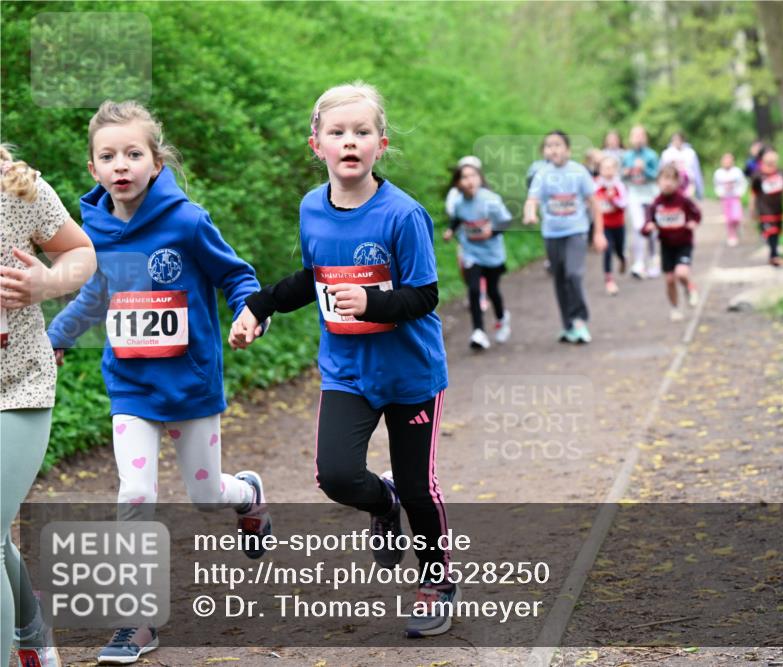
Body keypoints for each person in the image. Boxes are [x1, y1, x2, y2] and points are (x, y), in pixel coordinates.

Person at [45, 101, 272, 664]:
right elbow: (95, 295)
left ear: (154, 160)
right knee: (136, 493)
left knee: (204, 494)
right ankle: (136, 622)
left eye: (132, 153)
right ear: (93, 167)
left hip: (191, 384)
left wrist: (250, 311)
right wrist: (57, 337)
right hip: (131, 387)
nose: (120, 165)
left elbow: (236, 276)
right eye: (108, 156)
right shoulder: (91, 231)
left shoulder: (187, 221)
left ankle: (247, 494)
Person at [229, 82, 456, 638]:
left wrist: (374, 301)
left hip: (410, 373)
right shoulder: (312, 207)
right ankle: (384, 502)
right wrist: (260, 306)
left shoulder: (403, 215)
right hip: (347, 369)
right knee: (334, 475)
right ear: (317, 145)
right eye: (338, 133)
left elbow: (425, 295)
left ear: (381, 144)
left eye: (362, 132)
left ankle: (436, 581)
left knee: (420, 484)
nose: (349, 142)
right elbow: (314, 277)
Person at [1, 146, 97, 667]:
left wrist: (47, 282)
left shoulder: (16, 187)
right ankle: (30, 627)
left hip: (18, 384)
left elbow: (81, 253)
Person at [523, 130, 607, 344]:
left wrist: (598, 233)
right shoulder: (542, 174)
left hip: (576, 231)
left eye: (558, 144)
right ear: (545, 151)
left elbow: (594, 204)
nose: (554, 149)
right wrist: (530, 213)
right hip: (552, 233)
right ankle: (567, 325)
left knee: (574, 274)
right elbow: (532, 199)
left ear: (568, 150)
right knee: (559, 278)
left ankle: (580, 320)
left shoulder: (579, 172)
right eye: (549, 145)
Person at [443, 160, 512, 349]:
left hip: (492, 253)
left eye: (473, 176)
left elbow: (506, 221)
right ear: (458, 183)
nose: (469, 181)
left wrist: (493, 232)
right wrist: (450, 230)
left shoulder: (490, 200)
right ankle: (478, 332)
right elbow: (457, 219)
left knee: (492, 291)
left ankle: (501, 318)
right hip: (471, 252)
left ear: (480, 179)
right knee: (474, 290)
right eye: (464, 177)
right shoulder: (458, 202)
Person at [642, 165, 701, 322]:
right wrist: (649, 227)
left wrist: (693, 223)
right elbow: (645, 227)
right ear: (658, 182)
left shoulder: (683, 200)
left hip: (683, 243)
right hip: (666, 245)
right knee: (669, 279)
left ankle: (690, 287)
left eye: (672, 180)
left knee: (681, 273)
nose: (668, 183)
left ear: (677, 182)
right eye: (664, 180)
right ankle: (675, 308)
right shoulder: (655, 204)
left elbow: (697, 214)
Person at [621, 125, 659, 279]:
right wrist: (628, 171)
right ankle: (638, 263)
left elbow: (657, 175)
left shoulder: (651, 155)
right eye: (634, 135)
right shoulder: (627, 156)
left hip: (650, 196)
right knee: (638, 228)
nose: (637, 138)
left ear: (645, 138)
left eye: (640, 135)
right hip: (634, 196)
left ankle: (653, 261)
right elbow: (622, 177)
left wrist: (644, 169)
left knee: (651, 230)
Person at [593, 155, 628, 295]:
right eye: (605, 168)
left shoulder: (619, 186)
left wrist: (613, 199)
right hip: (604, 225)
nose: (608, 171)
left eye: (611, 168)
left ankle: (622, 259)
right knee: (607, 249)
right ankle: (609, 280)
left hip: (618, 225)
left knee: (619, 249)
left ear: (615, 170)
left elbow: (625, 204)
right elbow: (591, 203)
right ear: (600, 170)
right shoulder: (596, 186)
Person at [713, 153, 748, 247]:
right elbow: (716, 185)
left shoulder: (737, 172)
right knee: (728, 218)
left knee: (736, 217)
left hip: (735, 197)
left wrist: (740, 193)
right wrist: (720, 194)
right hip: (725, 198)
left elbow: (743, 183)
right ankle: (731, 235)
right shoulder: (718, 173)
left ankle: (736, 229)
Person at [659, 132, 704, 200]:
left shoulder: (690, 153)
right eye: (675, 140)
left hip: (688, 184)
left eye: (678, 140)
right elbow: (661, 170)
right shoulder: (667, 153)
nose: (677, 142)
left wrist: (699, 189)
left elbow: (696, 171)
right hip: (672, 182)